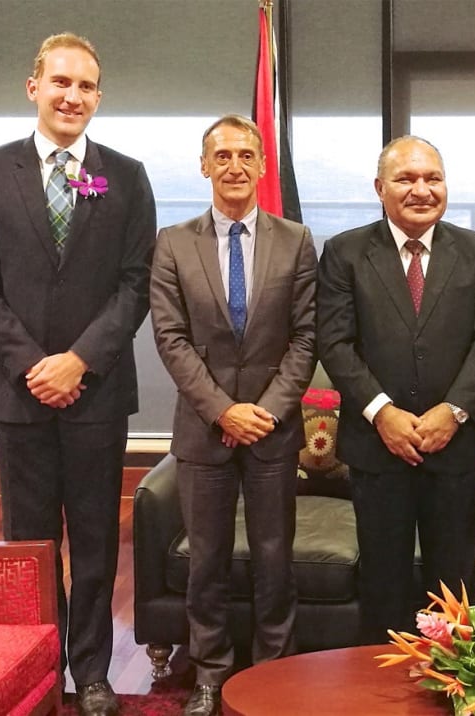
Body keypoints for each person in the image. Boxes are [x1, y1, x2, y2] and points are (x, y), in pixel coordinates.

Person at [0, 33, 155, 715]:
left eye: (87, 86)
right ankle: (38, 665)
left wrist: (79, 361)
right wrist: (35, 366)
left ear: (100, 97)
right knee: (31, 546)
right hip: (19, 396)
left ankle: (93, 674)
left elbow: (136, 285)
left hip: (97, 394)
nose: (73, 96)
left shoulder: (125, 176)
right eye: (61, 82)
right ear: (33, 86)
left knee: (97, 542)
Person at [150, 114, 316, 716]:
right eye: (222, 156)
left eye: (246, 155)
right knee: (206, 559)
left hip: (273, 431)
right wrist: (223, 411)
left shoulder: (295, 240)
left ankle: (274, 670)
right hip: (204, 430)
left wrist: (265, 411)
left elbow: (305, 338)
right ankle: (210, 673)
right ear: (204, 166)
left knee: (275, 557)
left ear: (263, 165)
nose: (235, 166)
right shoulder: (173, 242)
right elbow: (170, 338)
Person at [316, 136, 475, 643]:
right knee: (383, 583)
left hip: (454, 448)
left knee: (455, 585)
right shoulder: (345, 253)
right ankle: (381, 693)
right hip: (378, 449)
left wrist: (455, 411)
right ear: (380, 188)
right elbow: (334, 343)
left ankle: (451, 687)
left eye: (433, 178)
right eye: (406, 179)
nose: (421, 189)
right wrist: (382, 413)